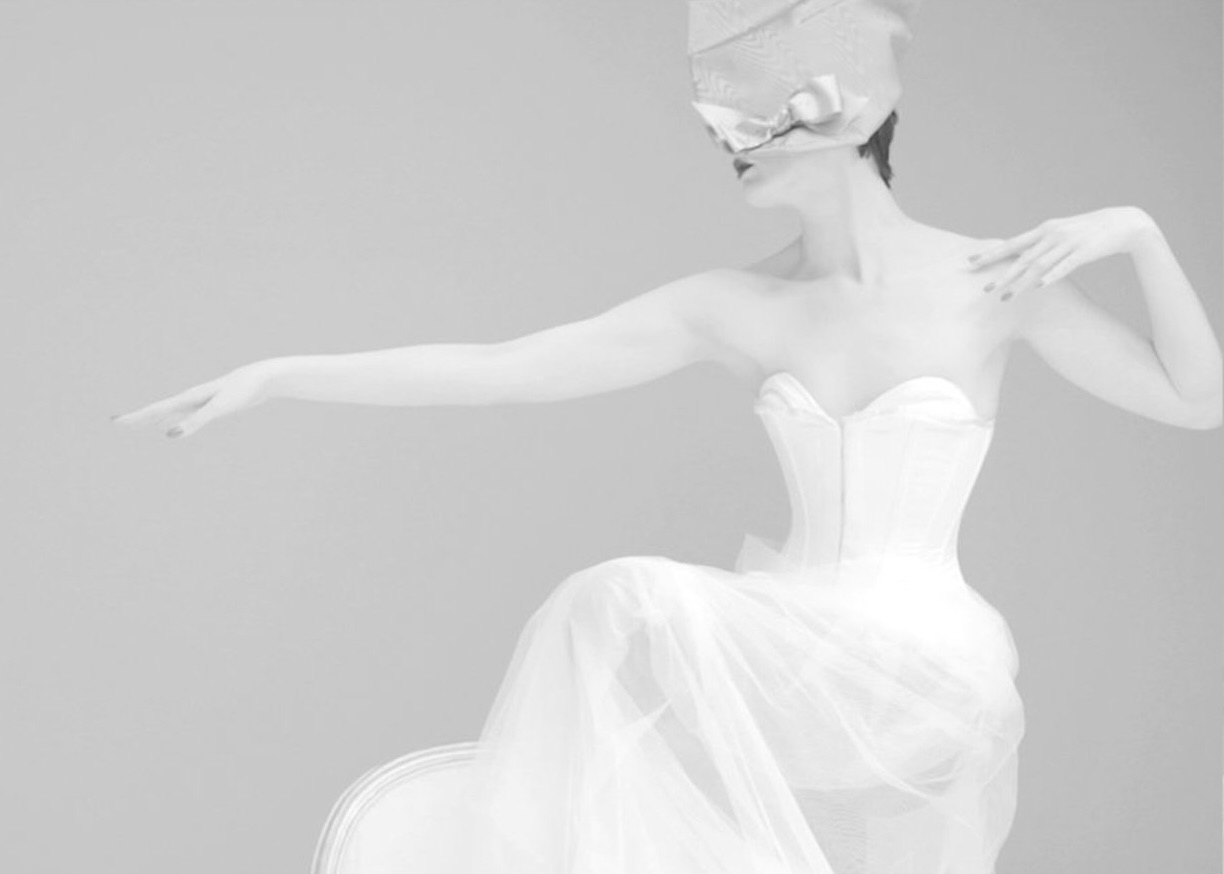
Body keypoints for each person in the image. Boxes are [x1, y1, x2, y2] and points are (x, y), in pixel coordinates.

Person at [112, 0, 1222, 870]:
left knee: (621, 599)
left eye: (750, 123)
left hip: (923, 670)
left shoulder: (995, 283)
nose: (726, 146)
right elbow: (506, 366)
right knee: (613, 614)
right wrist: (278, 376)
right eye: (719, 126)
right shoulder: (731, 306)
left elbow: (1199, 401)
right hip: (790, 661)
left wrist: (1138, 234)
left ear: (839, 121)